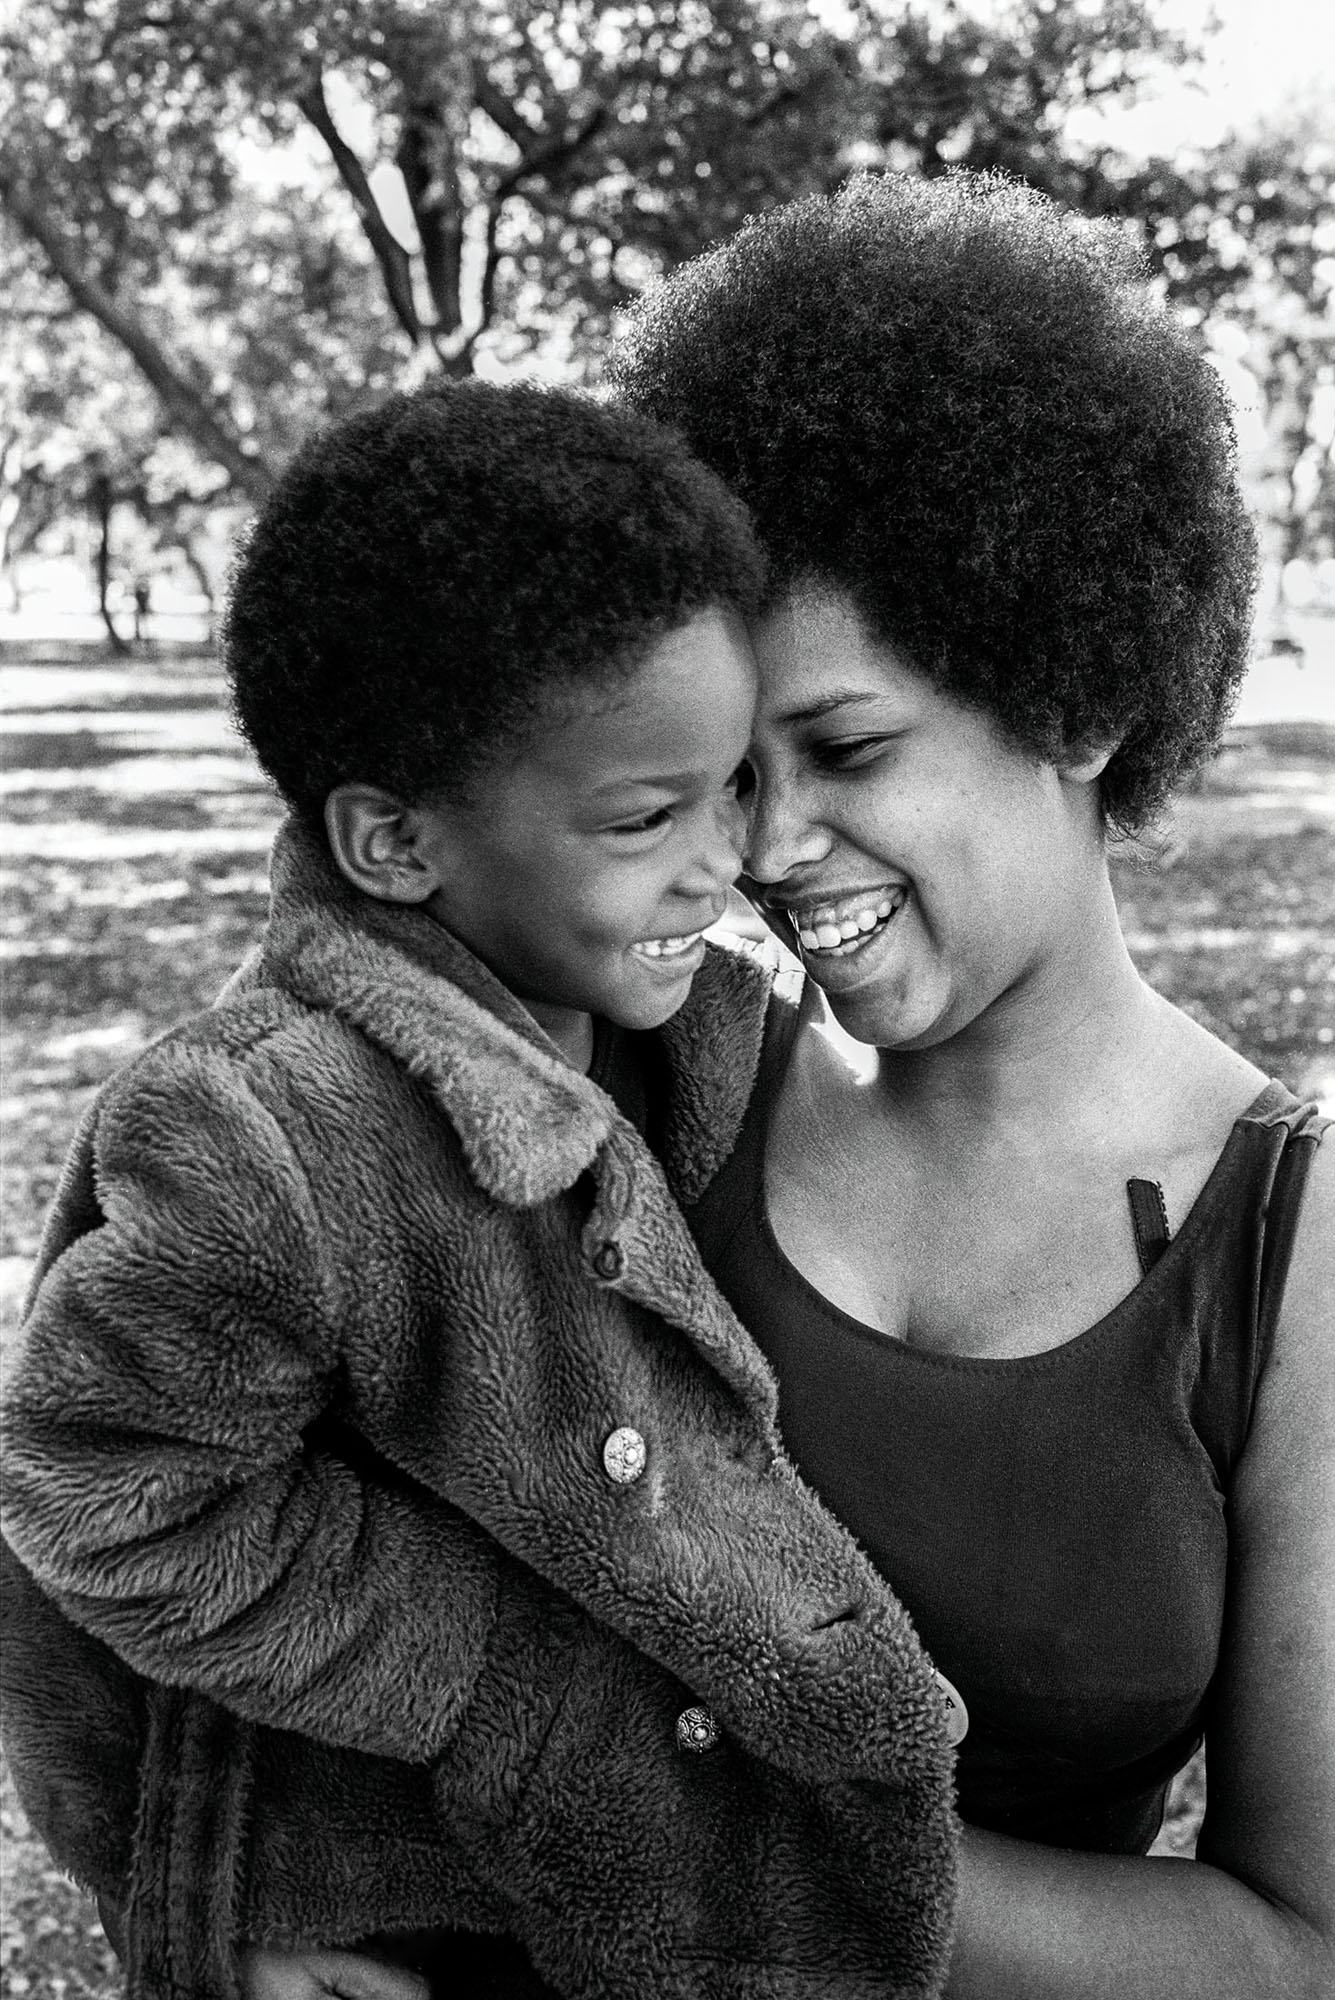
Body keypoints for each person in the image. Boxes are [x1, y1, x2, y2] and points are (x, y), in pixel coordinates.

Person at [0, 380, 959, 2000]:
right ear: (395, 844)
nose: (729, 857)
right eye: (645, 815)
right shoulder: (266, 1129)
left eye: (727, 785)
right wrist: (500, 1681)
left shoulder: (703, 1040)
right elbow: (101, 1498)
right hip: (399, 1920)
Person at [610, 171, 1335, 1997]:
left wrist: (781, 1859)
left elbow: (1294, 1945)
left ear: (1076, 695)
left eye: (844, 745)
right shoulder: (642, 1080)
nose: (768, 847)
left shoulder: (1290, 1251)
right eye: (726, 771)